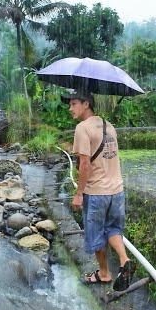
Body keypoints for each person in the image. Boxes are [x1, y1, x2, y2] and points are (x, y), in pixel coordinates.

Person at [64, 91, 136, 292]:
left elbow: (85, 165)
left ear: (86, 104)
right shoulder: (108, 126)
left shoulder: (82, 128)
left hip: (96, 193)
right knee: (113, 228)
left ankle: (104, 273)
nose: (71, 109)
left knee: (96, 236)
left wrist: (79, 194)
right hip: (117, 190)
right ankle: (124, 260)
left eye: (74, 104)